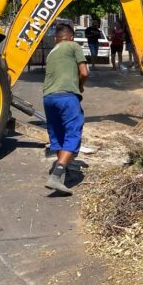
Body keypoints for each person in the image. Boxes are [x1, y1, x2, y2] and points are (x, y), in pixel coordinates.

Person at [42, 23, 89, 195]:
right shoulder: (73, 45)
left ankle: (62, 173)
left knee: (58, 134)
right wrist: (80, 86)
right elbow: (84, 72)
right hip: (67, 97)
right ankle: (57, 174)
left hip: (48, 98)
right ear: (71, 37)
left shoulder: (52, 53)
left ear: (56, 38)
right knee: (73, 132)